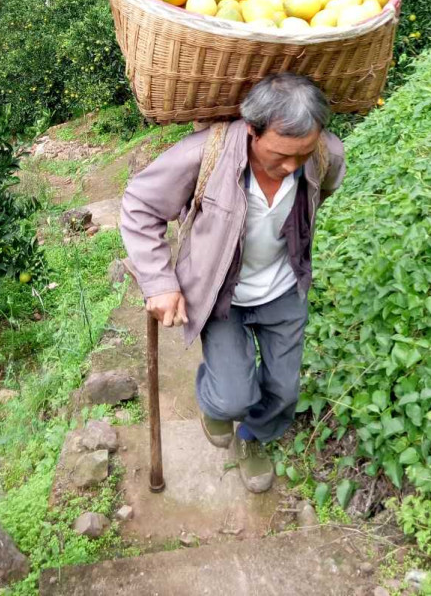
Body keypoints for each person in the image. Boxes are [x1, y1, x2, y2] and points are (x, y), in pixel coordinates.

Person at [120, 73, 346, 493]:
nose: (292, 166)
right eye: (280, 155)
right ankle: (215, 403)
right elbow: (139, 205)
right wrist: (158, 281)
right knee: (232, 396)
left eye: (303, 153)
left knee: (283, 390)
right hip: (221, 295)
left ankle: (253, 438)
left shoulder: (327, 155)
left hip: (282, 289)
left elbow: (321, 191)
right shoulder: (205, 155)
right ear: (251, 130)